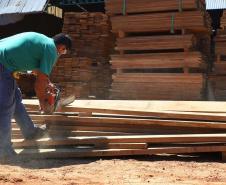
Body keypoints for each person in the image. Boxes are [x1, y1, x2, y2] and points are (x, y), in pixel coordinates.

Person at [0, 32, 72, 162]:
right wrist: (42, 103)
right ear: (61, 48)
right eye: (64, 52)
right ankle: (4, 152)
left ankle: (30, 132)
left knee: (15, 100)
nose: (61, 54)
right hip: (3, 64)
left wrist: (48, 83)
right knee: (5, 108)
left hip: (4, 61)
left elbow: (35, 68)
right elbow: (39, 81)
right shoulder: (51, 50)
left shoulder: (43, 42)